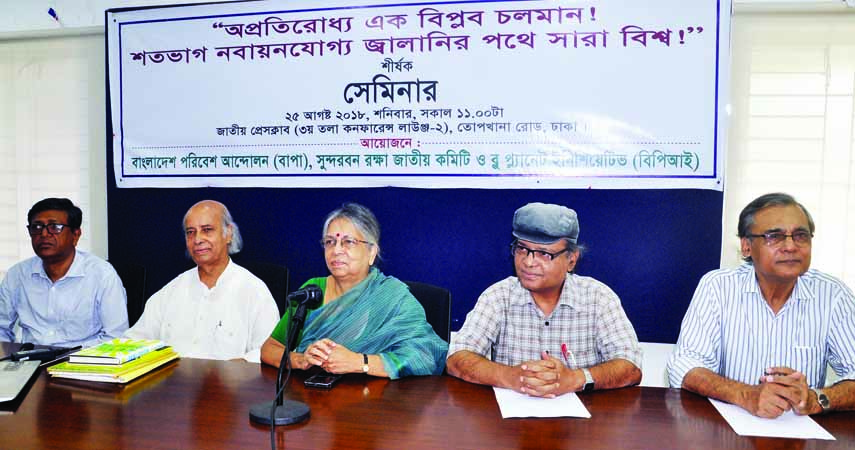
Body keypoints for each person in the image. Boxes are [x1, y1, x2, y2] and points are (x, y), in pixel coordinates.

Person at [668, 193, 855, 417]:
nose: (790, 246)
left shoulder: (833, 295)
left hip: (800, 432)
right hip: (729, 428)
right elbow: (684, 366)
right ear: (746, 246)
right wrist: (746, 394)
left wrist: (817, 399)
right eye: (774, 236)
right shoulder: (718, 287)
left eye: (800, 235)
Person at [447, 202, 642, 397]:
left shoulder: (598, 298)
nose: (528, 262)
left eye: (544, 253)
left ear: (571, 260)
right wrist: (511, 376)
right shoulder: (499, 296)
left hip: (582, 423)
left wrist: (575, 379)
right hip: (510, 423)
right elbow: (456, 358)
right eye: (522, 249)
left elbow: (630, 366)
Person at [260, 202, 447, 379]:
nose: (337, 250)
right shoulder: (312, 291)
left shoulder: (392, 296)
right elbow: (270, 349)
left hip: (377, 402)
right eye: (330, 242)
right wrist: (301, 359)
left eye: (348, 242)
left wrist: (360, 362)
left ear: (372, 252)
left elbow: (424, 354)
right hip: (312, 400)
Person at [126, 200, 278, 360]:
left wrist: (237, 366)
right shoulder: (171, 291)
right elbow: (134, 341)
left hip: (230, 383)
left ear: (229, 234)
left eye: (207, 230)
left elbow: (270, 352)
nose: (197, 239)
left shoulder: (254, 291)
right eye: (190, 232)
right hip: (173, 382)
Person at [0, 198, 128, 347]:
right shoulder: (17, 274)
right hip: (30, 361)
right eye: (37, 227)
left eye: (54, 227)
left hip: (82, 363)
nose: (44, 234)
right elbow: (1, 328)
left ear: (76, 235)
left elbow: (116, 337)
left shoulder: (102, 275)